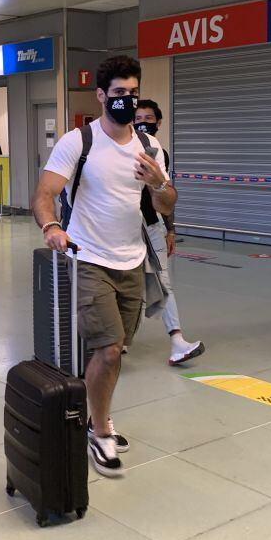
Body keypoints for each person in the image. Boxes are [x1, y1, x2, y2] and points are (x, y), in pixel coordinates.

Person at [33, 55, 177, 477]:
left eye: (132, 94)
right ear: (100, 96)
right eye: (118, 94)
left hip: (132, 261)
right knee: (109, 348)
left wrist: (158, 183)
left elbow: (167, 204)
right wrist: (52, 226)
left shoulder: (150, 148)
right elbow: (43, 194)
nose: (126, 102)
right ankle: (99, 432)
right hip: (88, 256)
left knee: (117, 349)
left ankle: (99, 415)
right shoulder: (79, 142)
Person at [134, 100, 205, 365]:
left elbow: (166, 193)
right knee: (125, 285)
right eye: (137, 117)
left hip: (152, 225)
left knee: (163, 281)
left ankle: (177, 340)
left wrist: (170, 229)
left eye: (148, 117)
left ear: (158, 123)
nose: (142, 121)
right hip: (120, 228)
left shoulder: (160, 153)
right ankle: (118, 340)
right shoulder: (119, 151)